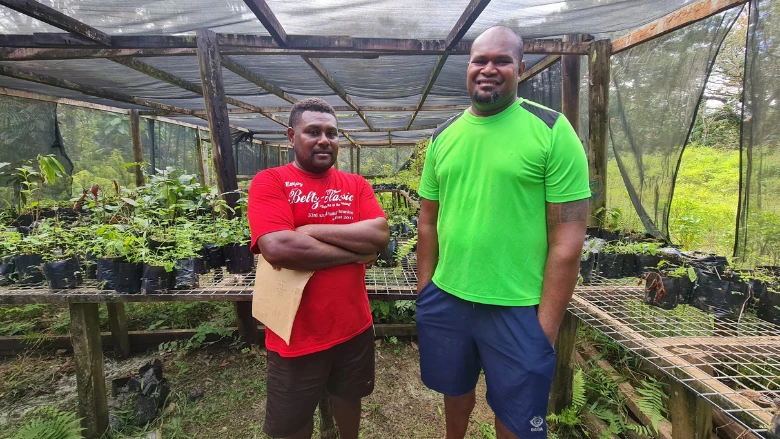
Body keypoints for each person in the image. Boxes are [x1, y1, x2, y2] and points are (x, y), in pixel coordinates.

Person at [415, 26, 591, 439]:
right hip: (448, 297)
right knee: (454, 392)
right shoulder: (443, 137)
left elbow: (568, 239)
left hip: (519, 308)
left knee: (516, 418)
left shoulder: (551, 130)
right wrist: (427, 293)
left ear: (522, 69)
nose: (488, 69)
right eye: (480, 60)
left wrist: (543, 332)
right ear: (468, 66)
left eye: (502, 61)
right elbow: (427, 220)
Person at [247, 98, 390, 439]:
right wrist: (354, 253)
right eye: (312, 131)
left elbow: (379, 234)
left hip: (352, 324)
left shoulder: (356, 185)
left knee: (349, 396)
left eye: (332, 132)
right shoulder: (271, 181)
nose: (324, 139)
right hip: (295, 330)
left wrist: (309, 231)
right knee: (291, 421)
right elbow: (279, 248)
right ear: (291, 137)